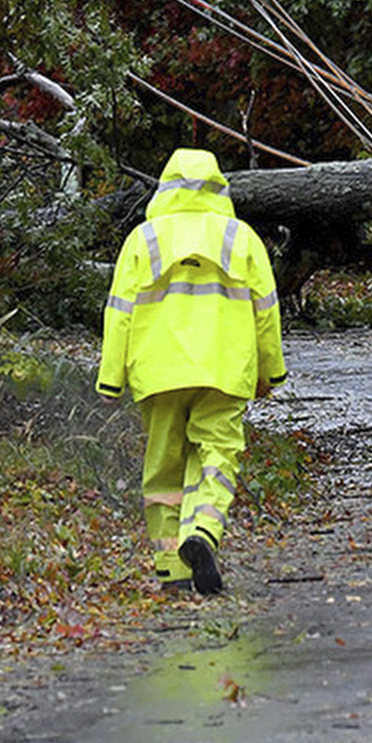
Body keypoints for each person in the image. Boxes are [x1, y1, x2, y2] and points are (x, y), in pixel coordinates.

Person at [98, 147, 286, 596]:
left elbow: (119, 311)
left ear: (165, 187)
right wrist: (271, 371)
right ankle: (201, 530)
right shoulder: (242, 238)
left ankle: (171, 568)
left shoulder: (142, 240)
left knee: (162, 468)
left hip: (157, 373)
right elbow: (266, 310)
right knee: (216, 456)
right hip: (224, 369)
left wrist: (111, 377)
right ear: (219, 187)